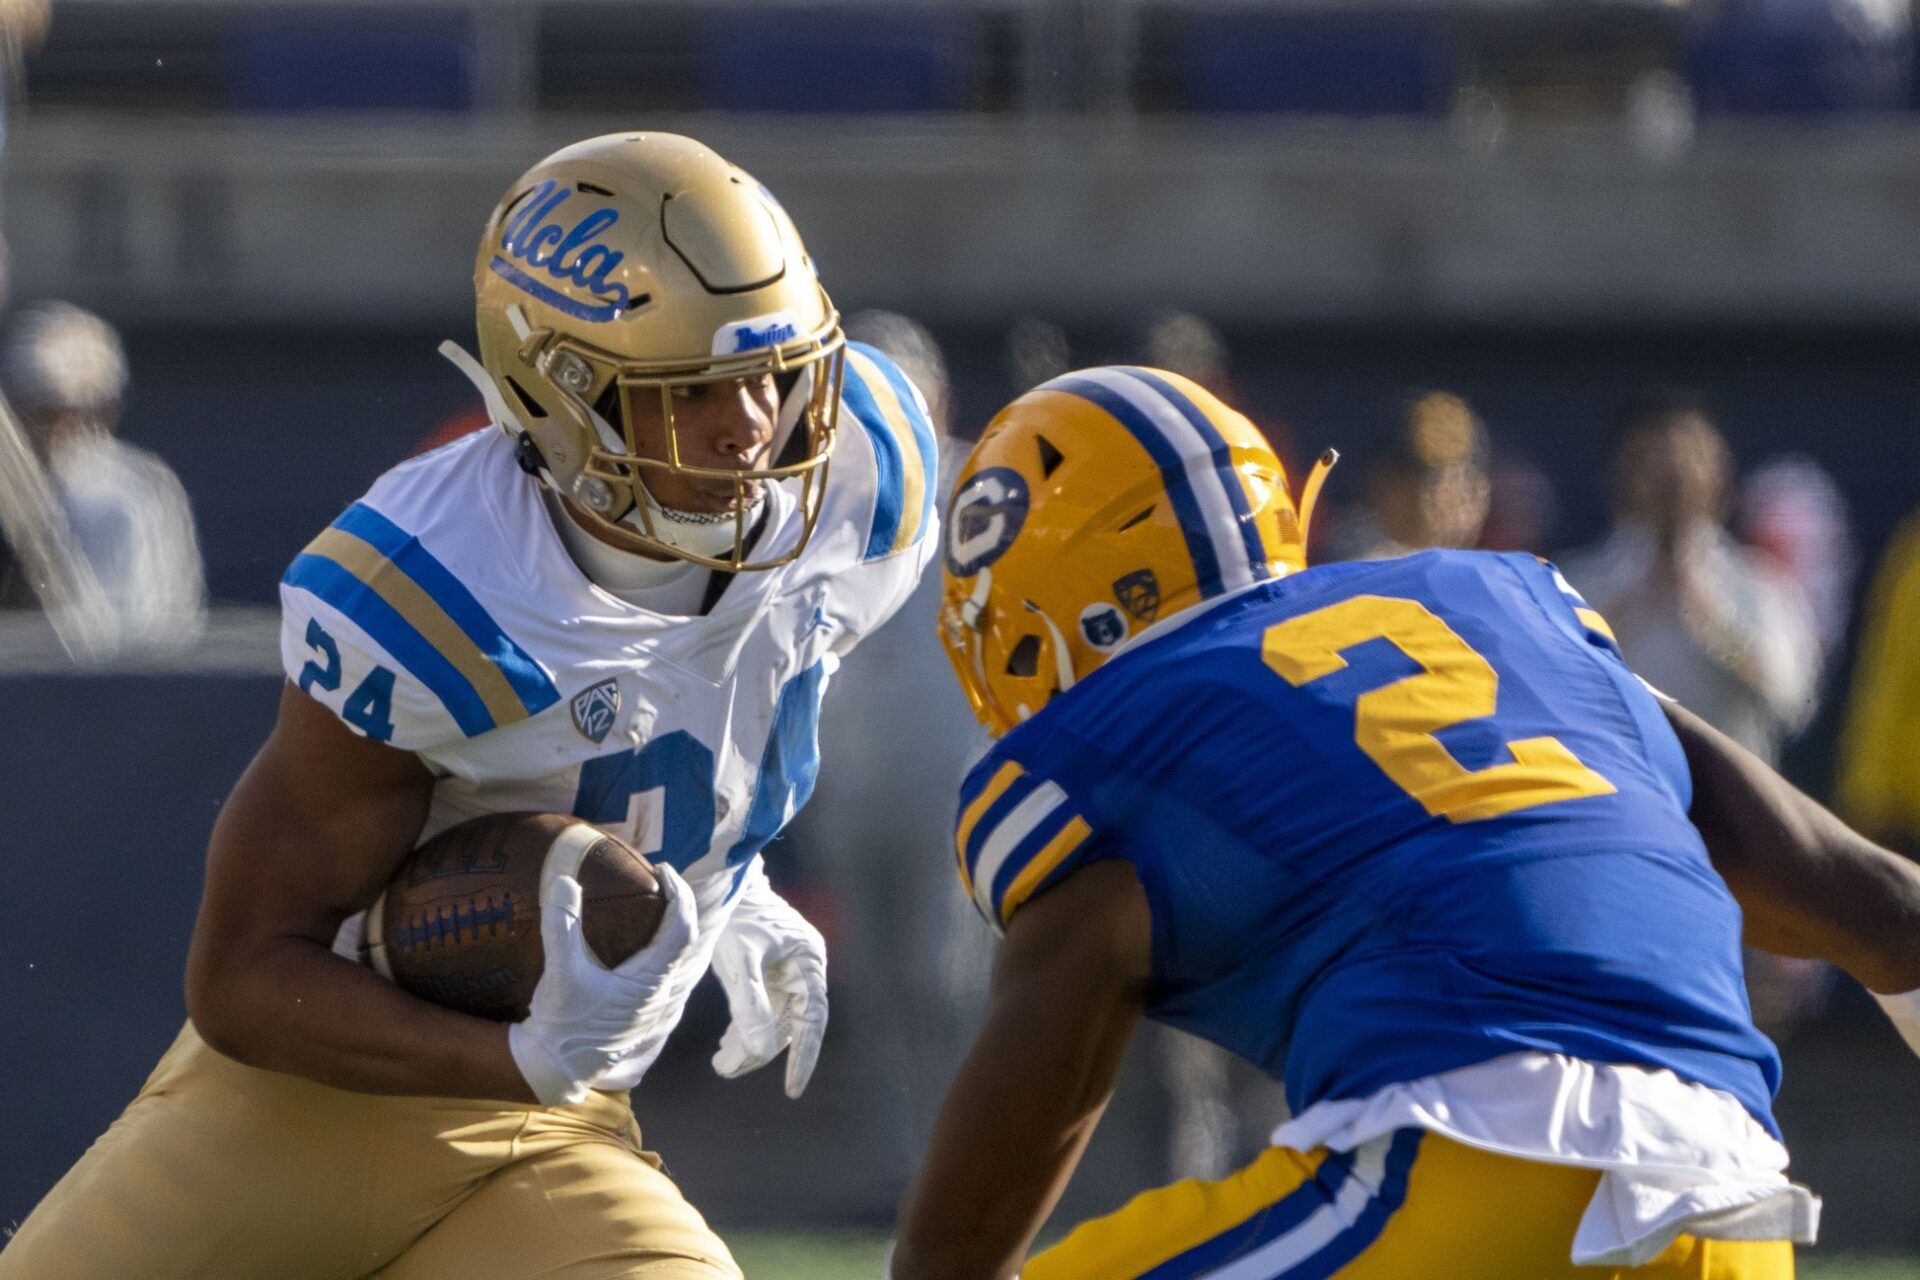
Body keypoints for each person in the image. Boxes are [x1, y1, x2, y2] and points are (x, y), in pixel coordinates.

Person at [0, 132, 938, 1280]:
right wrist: (526, 1059)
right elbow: (245, 972)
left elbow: (707, 695)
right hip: (299, 1112)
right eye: (692, 392)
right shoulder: (439, 590)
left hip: (547, 1137)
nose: (755, 426)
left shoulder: (862, 469)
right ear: (563, 396)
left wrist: (721, 881)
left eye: (777, 372)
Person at [890, 367, 1920, 1279]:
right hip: (1734, 1198)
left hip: (1471, 1172)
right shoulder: (1514, 604)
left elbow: (961, 1240)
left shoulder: (1120, 733)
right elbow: (1884, 909)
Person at [1560, 396, 1818, 765]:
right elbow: (1558, 690)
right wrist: (1628, 610)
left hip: (1730, 805)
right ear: (1623, 475)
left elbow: (1791, 702)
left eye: (1691, 458)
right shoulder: (1575, 583)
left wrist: (1708, 619)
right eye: (1653, 461)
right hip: (1620, 794)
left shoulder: (1760, 585)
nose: (1673, 477)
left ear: (1721, 474)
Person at [0, 301, 206, 648]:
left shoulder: (133, 495)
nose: (41, 429)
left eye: (56, 412)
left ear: (101, 412)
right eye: (25, 408)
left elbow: (143, 638)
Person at [1327, 389, 1491, 561]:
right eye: (1417, 479)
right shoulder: (1342, 570)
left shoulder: (1493, 570)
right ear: (1379, 482)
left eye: (1462, 481)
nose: (1440, 498)